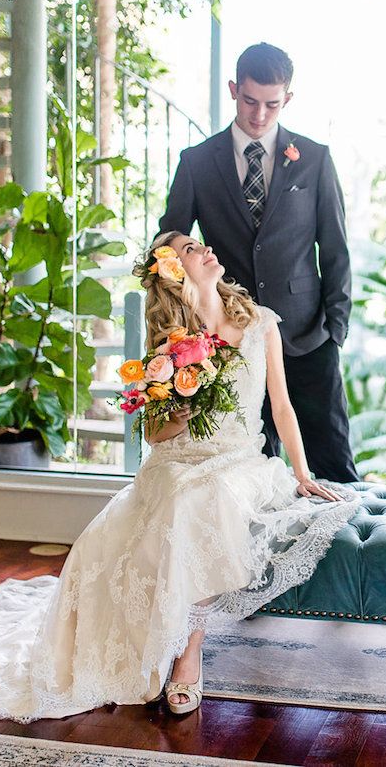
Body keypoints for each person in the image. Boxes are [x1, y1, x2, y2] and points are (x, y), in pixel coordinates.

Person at [0, 233, 361, 721]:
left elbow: (283, 407)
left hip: (239, 463)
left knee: (196, 505)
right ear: (173, 272)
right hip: (175, 463)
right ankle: (154, 646)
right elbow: (157, 435)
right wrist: (181, 412)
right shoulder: (168, 345)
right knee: (118, 533)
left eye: (200, 243)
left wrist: (302, 473)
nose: (204, 248)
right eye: (188, 249)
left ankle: (188, 654)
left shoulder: (259, 322)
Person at [158, 42, 359, 483]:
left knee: (335, 467)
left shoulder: (315, 158)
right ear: (234, 90)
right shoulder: (196, 162)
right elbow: (167, 240)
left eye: (272, 104)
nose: (260, 114)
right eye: (250, 101)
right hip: (232, 345)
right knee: (249, 472)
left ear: (287, 98)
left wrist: (335, 331)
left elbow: (336, 248)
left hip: (309, 339)